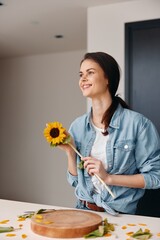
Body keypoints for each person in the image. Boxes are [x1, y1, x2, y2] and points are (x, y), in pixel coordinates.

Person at [59, 52, 160, 215]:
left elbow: (156, 176)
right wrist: (70, 153)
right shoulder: (77, 126)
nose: (83, 79)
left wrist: (108, 178)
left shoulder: (138, 124)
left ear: (108, 79)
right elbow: (75, 181)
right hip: (83, 212)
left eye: (90, 72)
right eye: (81, 74)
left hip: (121, 217)